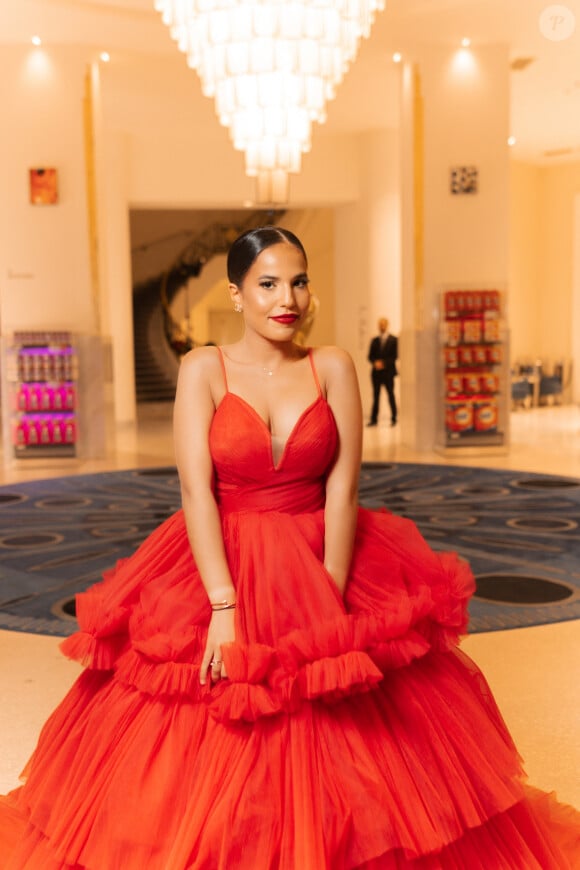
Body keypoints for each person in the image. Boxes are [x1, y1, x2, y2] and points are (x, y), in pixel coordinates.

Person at [0, 226, 578, 868]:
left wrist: (326, 596)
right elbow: (197, 492)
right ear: (236, 293)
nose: (288, 298)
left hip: (324, 549)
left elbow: (343, 485)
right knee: (211, 729)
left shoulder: (330, 365)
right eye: (269, 283)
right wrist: (224, 606)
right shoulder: (203, 368)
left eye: (299, 281)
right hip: (224, 555)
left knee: (352, 738)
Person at [367, 317, 398, 426]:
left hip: (388, 373)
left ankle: (394, 418)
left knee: (391, 395)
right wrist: (375, 363)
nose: (382, 326)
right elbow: (370, 356)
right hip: (376, 374)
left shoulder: (394, 340)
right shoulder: (374, 340)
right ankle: (374, 419)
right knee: (376, 396)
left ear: (387, 325)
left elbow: (394, 356)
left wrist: (383, 363)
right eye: (380, 324)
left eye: (383, 324)